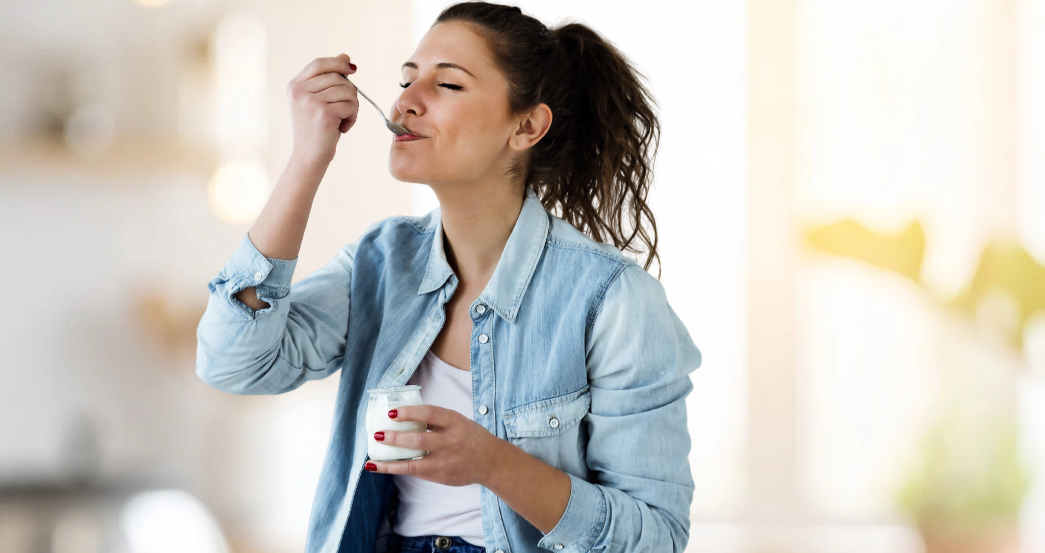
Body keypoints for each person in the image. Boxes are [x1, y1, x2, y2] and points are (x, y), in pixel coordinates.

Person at [195, 2, 702, 553]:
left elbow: (656, 539)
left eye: (448, 85)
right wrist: (306, 159)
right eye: (407, 80)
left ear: (526, 125)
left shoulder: (613, 300)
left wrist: (493, 463)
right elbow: (233, 365)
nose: (405, 101)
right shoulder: (380, 263)